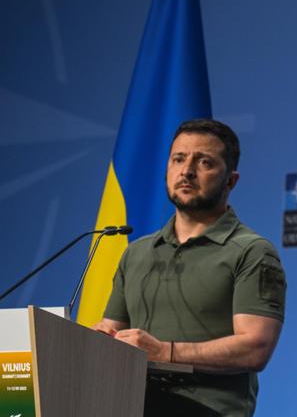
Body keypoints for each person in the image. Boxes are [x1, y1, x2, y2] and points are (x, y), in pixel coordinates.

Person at [93, 119, 286, 416]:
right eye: (178, 159)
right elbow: (112, 334)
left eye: (204, 162)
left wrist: (165, 353)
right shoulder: (137, 253)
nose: (187, 171)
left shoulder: (252, 252)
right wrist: (99, 340)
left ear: (231, 181)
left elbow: (255, 347)